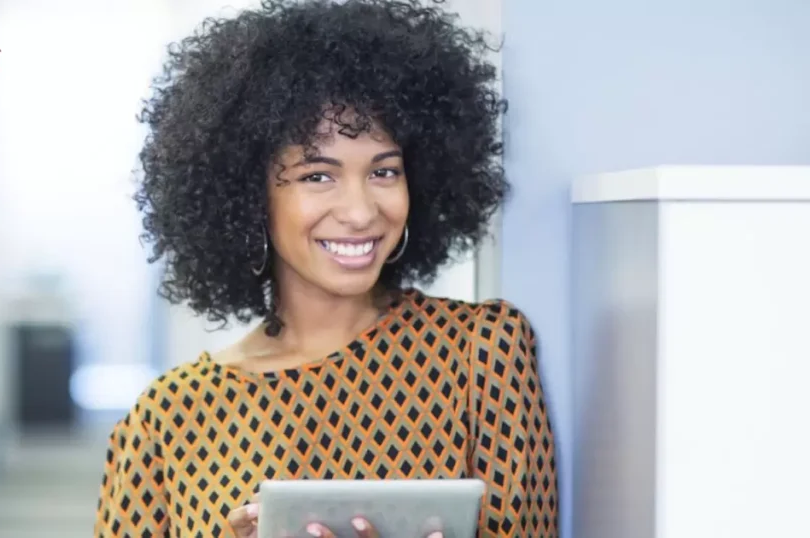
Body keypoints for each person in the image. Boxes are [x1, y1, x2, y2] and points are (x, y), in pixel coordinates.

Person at [93, 0, 559, 536]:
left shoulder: (482, 352)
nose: (361, 211)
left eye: (384, 171)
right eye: (318, 176)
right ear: (249, 196)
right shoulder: (169, 417)